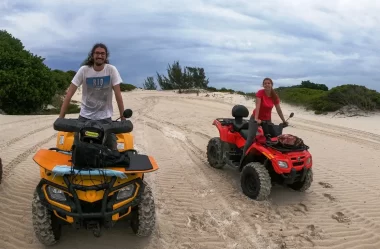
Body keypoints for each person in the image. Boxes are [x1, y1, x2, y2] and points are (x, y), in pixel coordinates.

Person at [58, 43, 125, 150]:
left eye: (102, 54)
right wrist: (60, 118)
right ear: (92, 55)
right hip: (85, 117)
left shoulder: (111, 70)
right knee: (77, 148)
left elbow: (118, 95)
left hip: (105, 118)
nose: (100, 56)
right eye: (97, 53)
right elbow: (69, 94)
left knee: (112, 148)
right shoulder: (84, 70)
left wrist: (123, 118)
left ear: (106, 56)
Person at [240, 78, 287, 163]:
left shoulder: (274, 96)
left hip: (267, 119)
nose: (267, 85)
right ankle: (243, 158)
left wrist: (284, 121)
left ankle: (267, 159)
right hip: (256, 118)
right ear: (263, 85)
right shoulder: (260, 93)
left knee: (270, 138)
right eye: (265, 83)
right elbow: (257, 106)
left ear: (271, 84)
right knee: (251, 137)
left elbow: (278, 109)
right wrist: (256, 119)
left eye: (268, 83)